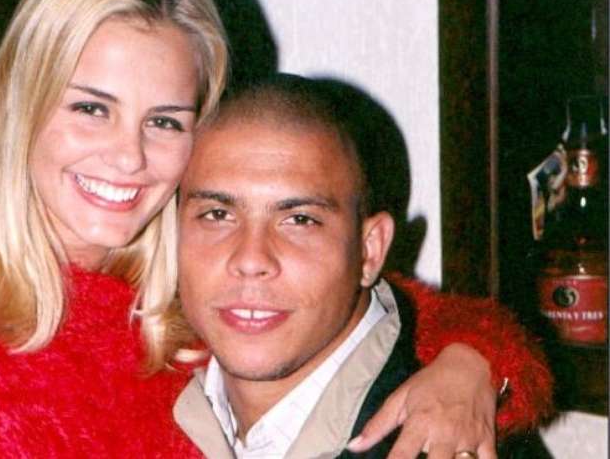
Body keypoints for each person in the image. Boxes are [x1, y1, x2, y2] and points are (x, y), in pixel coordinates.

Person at [0, 0, 551, 457]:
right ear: (19, 106)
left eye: (165, 121)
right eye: (91, 108)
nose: (128, 156)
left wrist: (471, 365)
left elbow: (395, 313)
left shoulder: (194, 302)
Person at [172, 74, 552, 458]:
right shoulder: (152, 394)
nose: (251, 260)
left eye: (300, 220)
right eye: (217, 214)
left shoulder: (454, 441)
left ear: (370, 251)